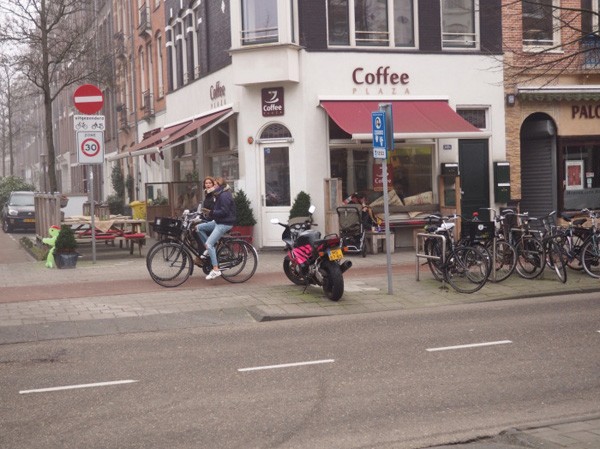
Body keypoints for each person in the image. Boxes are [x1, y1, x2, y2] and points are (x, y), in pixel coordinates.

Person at [196, 177, 236, 280]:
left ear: (220, 186)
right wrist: (208, 215)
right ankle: (209, 249)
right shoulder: (219, 194)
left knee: (209, 244)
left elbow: (224, 212)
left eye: (215, 184)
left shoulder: (224, 196)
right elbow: (216, 210)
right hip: (219, 221)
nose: (213, 186)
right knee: (198, 228)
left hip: (224, 223)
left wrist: (211, 213)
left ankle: (216, 270)